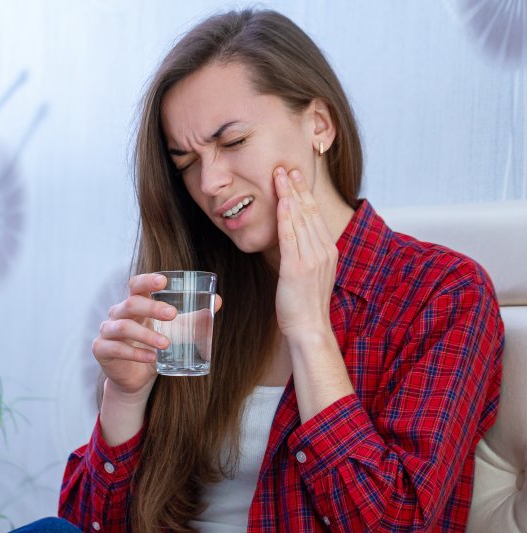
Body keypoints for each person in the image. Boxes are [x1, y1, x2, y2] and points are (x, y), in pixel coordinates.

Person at [59, 8, 503, 533]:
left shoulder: (440, 293)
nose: (210, 182)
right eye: (186, 163)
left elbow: (394, 524)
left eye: (233, 142)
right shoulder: (199, 302)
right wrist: (125, 400)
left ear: (319, 124)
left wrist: (310, 331)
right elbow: (88, 527)